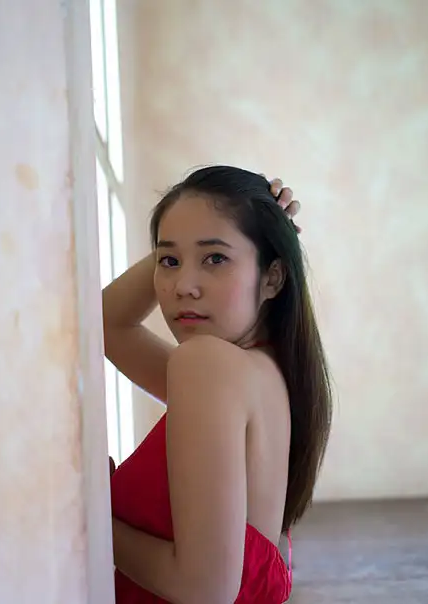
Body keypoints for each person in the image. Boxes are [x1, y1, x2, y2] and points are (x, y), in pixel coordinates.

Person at [105, 166, 333, 603]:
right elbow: (108, 325)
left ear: (272, 277)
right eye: (169, 262)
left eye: (215, 259)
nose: (183, 287)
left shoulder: (207, 366)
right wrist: (244, 226)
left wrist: (93, 516)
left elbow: (204, 591)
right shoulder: (264, 373)